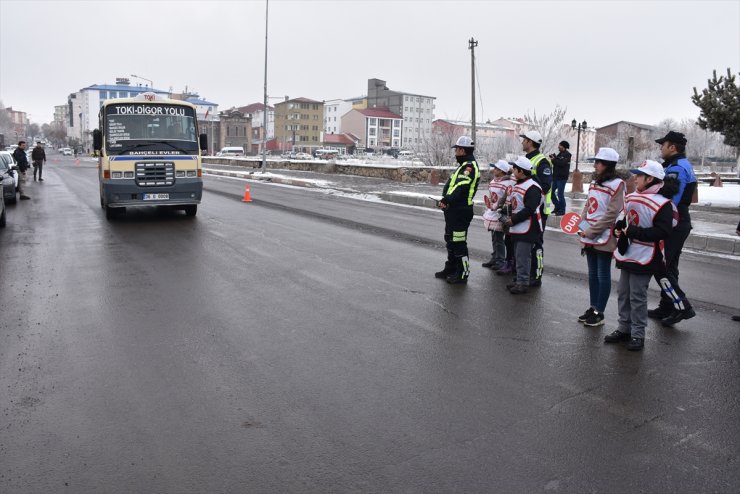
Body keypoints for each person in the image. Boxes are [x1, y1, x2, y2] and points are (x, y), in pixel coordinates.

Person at [606, 160, 677, 351]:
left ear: (650, 178)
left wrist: (632, 232)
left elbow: (663, 232)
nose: (635, 178)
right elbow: (623, 220)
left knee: (637, 296)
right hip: (629, 252)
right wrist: (618, 231)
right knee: (623, 293)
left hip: (647, 254)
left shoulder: (663, 204)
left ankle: (638, 334)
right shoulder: (631, 197)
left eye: (639, 175)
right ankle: (624, 328)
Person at [648, 131, 698, 326]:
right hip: (680, 221)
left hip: (674, 222)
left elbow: (671, 199)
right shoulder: (679, 165)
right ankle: (667, 306)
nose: (661, 147)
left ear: (673, 147)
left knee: (660, 266)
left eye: (663, 144)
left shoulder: (676, 167)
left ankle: (682, 307)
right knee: (670, 266)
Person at [577, 148, 625, 327]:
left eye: (599, 162)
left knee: (602, 274)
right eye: (595, 162)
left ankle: (600, 312)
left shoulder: (618, 184)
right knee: (592, 275)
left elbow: (612, 213)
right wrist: (582, 226)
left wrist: (592, 230)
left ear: (608, 165)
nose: (595, 165)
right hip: (589, 233)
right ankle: (592, 307)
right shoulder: (595, 182)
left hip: (604, 235)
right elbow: (588, 206)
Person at [434, 136, 481, 284]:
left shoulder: (469, 167)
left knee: (459, 243)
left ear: (462, 150)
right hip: (453, 209)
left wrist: (446, 199)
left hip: (461, 211)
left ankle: (462, 273)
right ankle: (451, 268)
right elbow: (452, 186)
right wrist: (445, 202)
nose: (455, 153)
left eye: (457, 150)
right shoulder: (463, 165)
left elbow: (460, 187)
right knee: (450, 239)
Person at [503, 156, 542, 294]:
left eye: (515, 168)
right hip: (518, 226)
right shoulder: (519, 184)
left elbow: (529, 209)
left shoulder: (532, 187)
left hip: (528, 227)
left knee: (523, 256)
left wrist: (513, 220)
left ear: (521, 171)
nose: (512, 171)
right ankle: (519, 279)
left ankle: (523, 283)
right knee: (518, 255)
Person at [520, 130, 553, 287]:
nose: (522, 142)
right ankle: (524, 274)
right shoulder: (525, 159)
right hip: (527, 209)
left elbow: (545, 186)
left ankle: (536, 274)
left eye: (524, 140)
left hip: (539, 210)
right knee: (525, 244)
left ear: (530, 142)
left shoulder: (542, 162)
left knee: (536, 243)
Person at [482, 160, 515, 271]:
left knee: (499, 238)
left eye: (496, 168)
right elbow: (493, 196)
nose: (494, 170)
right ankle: (495, 257)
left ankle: (500, 260)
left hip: (502, 213)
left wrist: (501, 208)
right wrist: (490, 203)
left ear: (501, 171)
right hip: (493, 212)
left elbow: (509, 198)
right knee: (494, 237)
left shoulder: (508, 183)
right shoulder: (492, 181)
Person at [549, 140, 571, 215]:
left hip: (562, 178)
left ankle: (562, 210)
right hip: (555, 177)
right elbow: (556, 163)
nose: (558, 146)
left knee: (560, 194)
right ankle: (557, 206)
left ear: (564, 147)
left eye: (560, 145)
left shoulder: (568, 155)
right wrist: (553, 158)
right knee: (551, 193)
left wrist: (554, 160)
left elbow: (561, 163)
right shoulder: (560, 154)